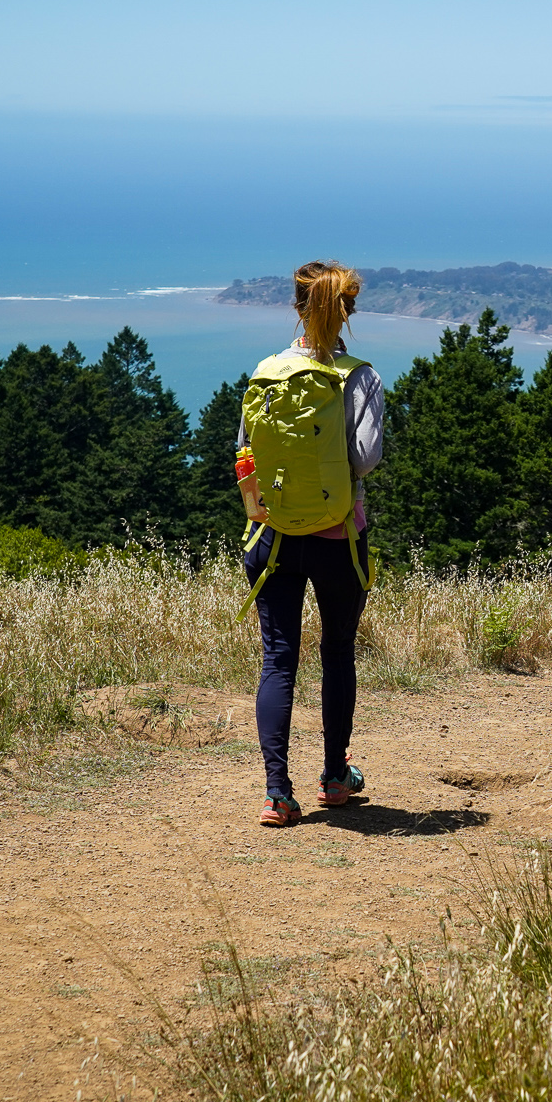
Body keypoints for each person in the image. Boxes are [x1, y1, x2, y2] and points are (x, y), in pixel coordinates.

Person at [237, 260, 383, 827]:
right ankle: (334, 777)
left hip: (273, 536)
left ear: (296, 307)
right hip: (338, 533)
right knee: (337, 651)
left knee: (278, 658)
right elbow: (367, 457)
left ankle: (277, 792)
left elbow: (246, 455)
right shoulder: (359, 376)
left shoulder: (266, 372)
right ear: (345, 310)